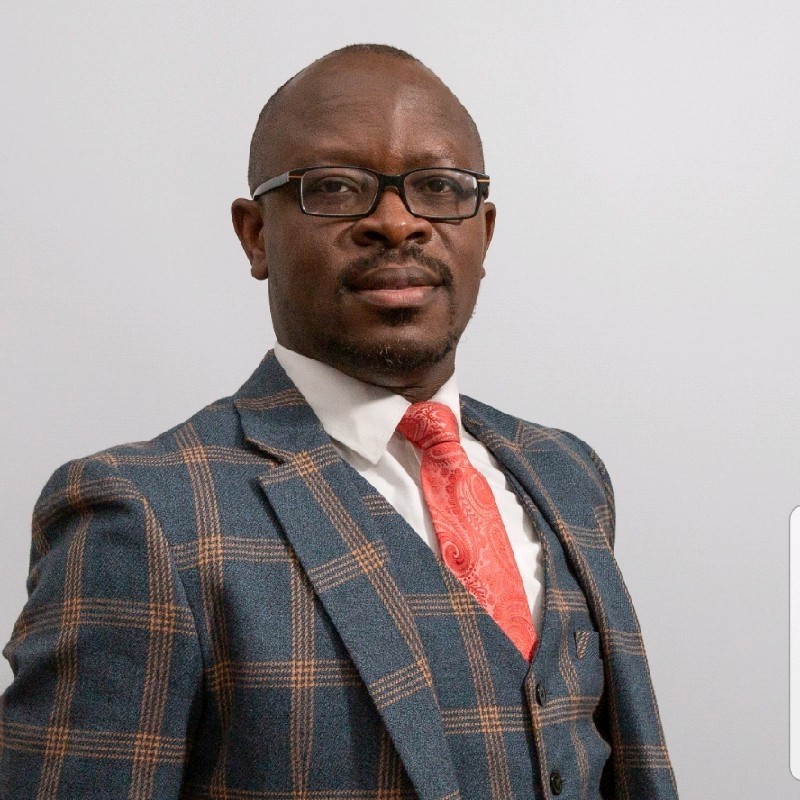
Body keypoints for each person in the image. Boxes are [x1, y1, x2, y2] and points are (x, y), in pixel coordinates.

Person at [0, 44, 678, 800]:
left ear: (484, 232)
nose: (397, 222)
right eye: (335, 187)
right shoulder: (143, 516)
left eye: (438, 188)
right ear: (255, 234)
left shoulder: (566, 473)